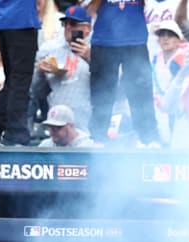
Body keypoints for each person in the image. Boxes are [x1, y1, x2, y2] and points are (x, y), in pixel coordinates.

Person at [86, 0, 162, 147]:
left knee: (141, 91)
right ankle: (98, 138)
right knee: (102, 93)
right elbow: (90, 10)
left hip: (135, 39)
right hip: (104, 39)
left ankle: (148, 138)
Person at [0, 0, 39, 146]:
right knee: (19, 81)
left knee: (14, 79)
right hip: (21, 19)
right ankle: (15, 132)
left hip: (1, 21)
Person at [30, 5, 92, 133]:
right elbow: (36, 92)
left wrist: (91, 59)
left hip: (88, 122)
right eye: (65, 23)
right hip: (56, 121)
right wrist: (40, 73)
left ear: (87, 28)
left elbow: (112, 86)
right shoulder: (49, 49)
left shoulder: (98, 49)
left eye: (74, 23)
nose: (68, 27)